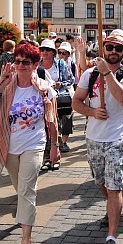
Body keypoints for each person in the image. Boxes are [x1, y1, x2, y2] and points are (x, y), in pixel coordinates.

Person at [0, 42, 59, 244]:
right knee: (20, 187)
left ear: (35, 64)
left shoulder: (44, 88)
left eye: (26, 62)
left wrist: (54, 146)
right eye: (17, 61)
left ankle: (25, 241)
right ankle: (24, 212)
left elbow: (52, 121)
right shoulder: (6, 86)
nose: (20, 65)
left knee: (26, 190)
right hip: (8, 146)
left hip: (34, 144)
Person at [72, 31, 123, 244]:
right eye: (109, 47)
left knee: (114, 186)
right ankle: (113, 206)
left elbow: (121, 96)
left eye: (118, 49)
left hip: (116, 139)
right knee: (102, 183)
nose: (113, 52)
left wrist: (107, 73)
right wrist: (91, 111)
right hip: (93, 138)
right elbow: (76, 102)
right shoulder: (89, 74)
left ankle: (111, 236)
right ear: (104, 48)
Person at [38, 39, 74, 169]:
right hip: (40, 101)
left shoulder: (60, 64)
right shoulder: (37, 65)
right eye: (42, 50)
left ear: (53, 52)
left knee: (55, 128)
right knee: (44, 129)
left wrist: (60, 84)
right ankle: (46, 158)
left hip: (56, 100)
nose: (45, 52)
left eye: (47, 50)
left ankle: (55, 156)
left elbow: (71, 79)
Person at [57, 41, 77, 152]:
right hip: (55, 95)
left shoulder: (71, 64)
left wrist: (63, 84)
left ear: (69, 54)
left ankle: (64, 142)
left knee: (67, 119)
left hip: (67, 94)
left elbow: (73, 79)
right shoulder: (54, 63)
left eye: (64, 53)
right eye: (60, 52)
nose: (61, 55)